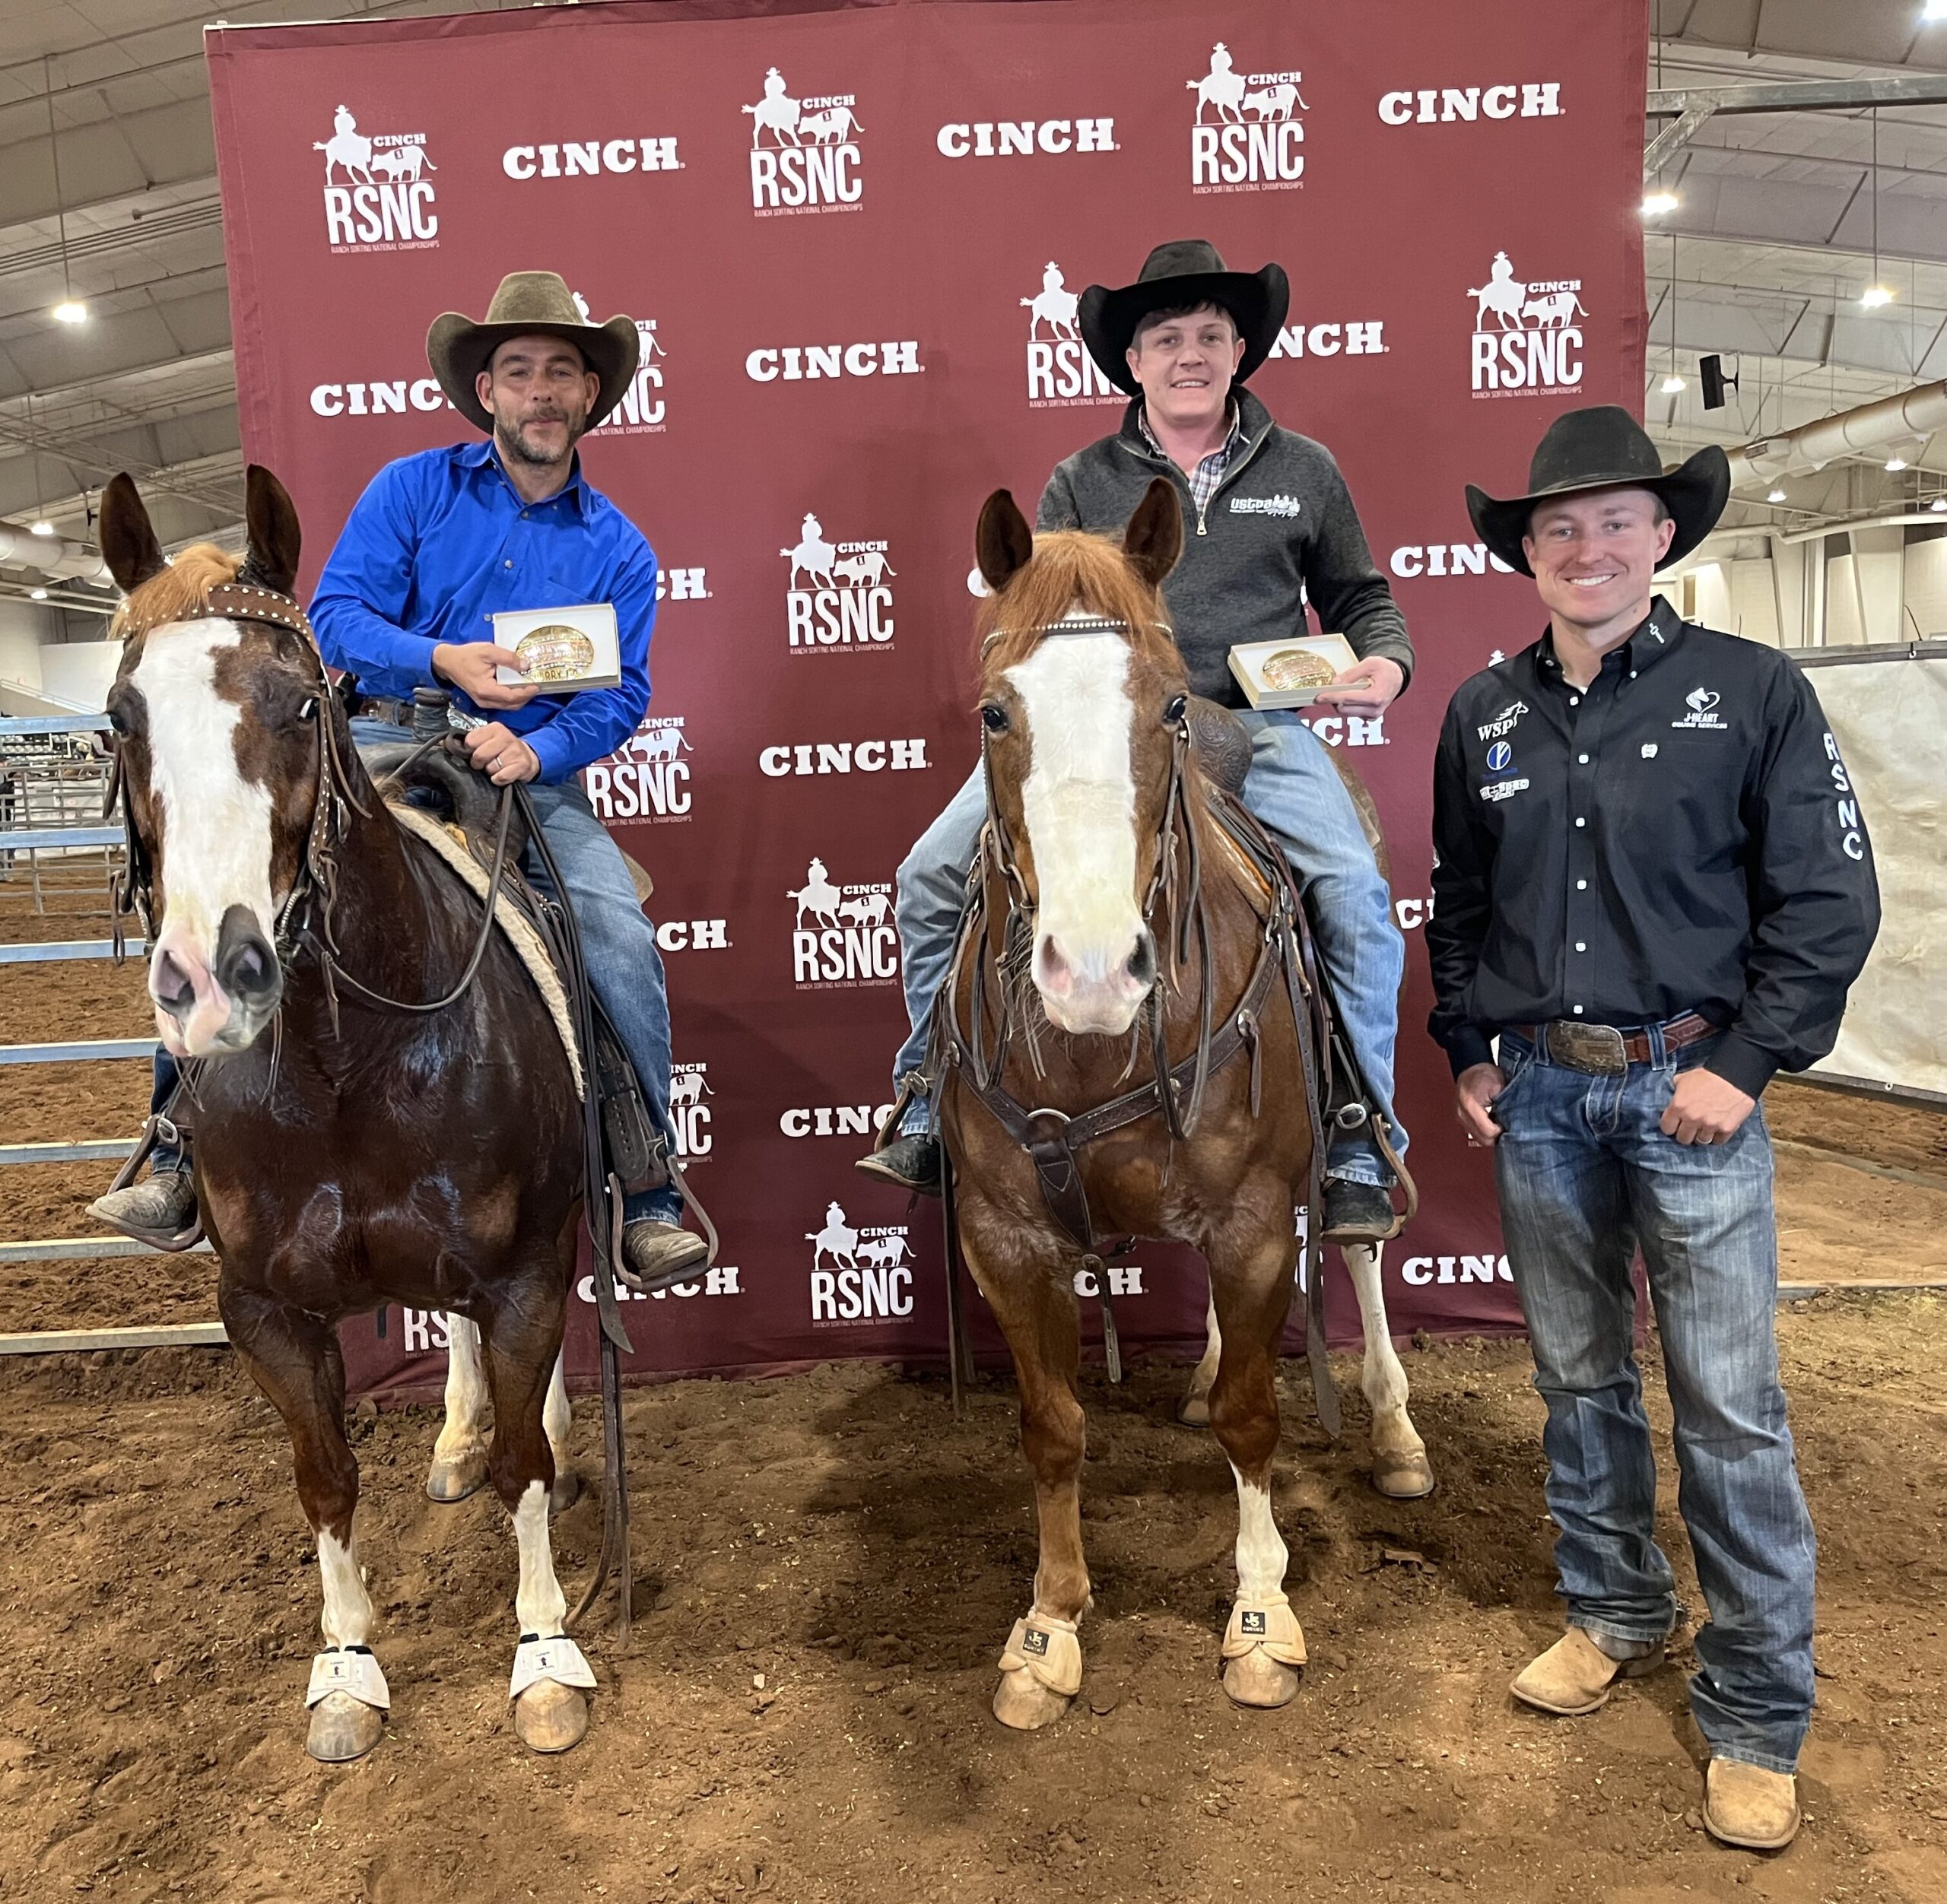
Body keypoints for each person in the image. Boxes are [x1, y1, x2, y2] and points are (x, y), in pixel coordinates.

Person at [1426, 405, 1880, 1851]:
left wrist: (1746, 1065)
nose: (1586, 547)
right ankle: (1615, 1609)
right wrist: (1470, 1052)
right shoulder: (1482, 712)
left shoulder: (1754, 691)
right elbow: (1461, 906)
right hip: (1544, 1096)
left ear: (1662, 537)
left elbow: (1827, 904)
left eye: (1614, 521)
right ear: (1528, 555)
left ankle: (1756, 1712)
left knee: (1731, 1408)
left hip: (1692, 1091)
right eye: (1558, 528)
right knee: (1578, 1379)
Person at [90, 271, 707, 1287]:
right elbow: (336, 619)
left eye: (562, 371)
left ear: (590, 396)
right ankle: (174, 1139)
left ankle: (647, 1181)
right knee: (241, 872)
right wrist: (444, 662)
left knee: (617, 936)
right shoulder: (411, 491)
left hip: (525, 773)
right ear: (489, 394)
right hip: (380, 737)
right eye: (520, 371)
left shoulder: (621, 549)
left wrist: (540, 751)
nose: (541, 390)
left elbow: (620, 695)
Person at [859, 240, 1414, 1242]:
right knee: (929, 873)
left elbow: (1363, 600)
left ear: (1242, 348)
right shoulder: (1082, 478)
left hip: (1255, 723)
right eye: (1167, 338)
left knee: (1354, 893)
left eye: (1210, 334)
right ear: (1135, 361)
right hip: (1102, 729)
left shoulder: (1307, 472)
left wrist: (1389, 662)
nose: (1189, 353)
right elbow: (1041, 614)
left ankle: (1358, 1133)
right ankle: (926, 1093)